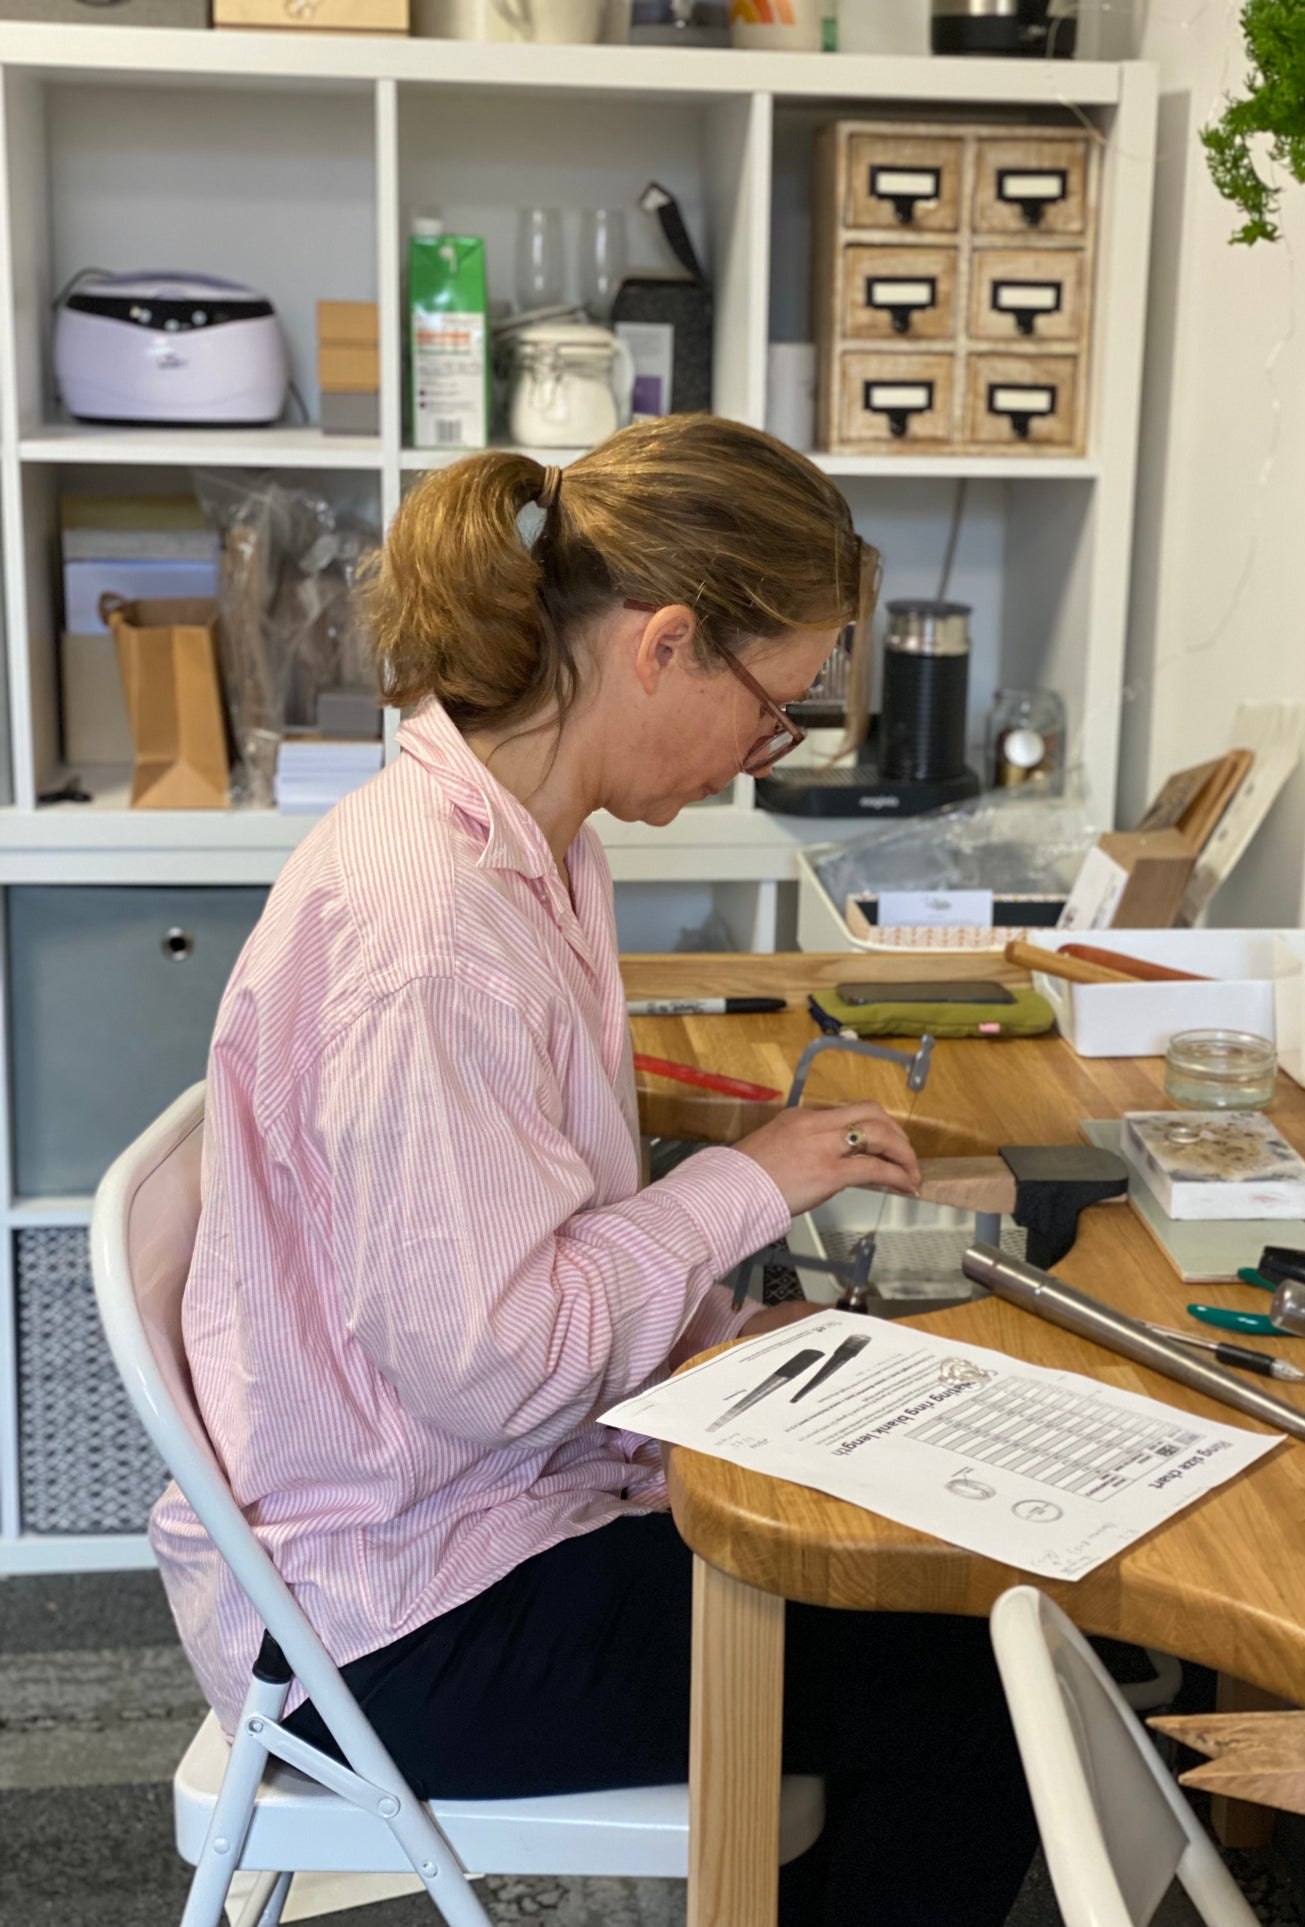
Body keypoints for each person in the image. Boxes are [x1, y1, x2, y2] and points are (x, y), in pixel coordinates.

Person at [150, 417, 1036, 1926]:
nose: (771, 752)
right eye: (775, 709)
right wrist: (739, 1192)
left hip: (463, 1507)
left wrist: (715, 1331)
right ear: (665, 644)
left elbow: (521, 1245)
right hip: (384, 1622)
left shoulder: (530, 846)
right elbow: (491, 1368)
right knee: (974, 1681)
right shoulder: (429, 931)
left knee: (936, 1586)